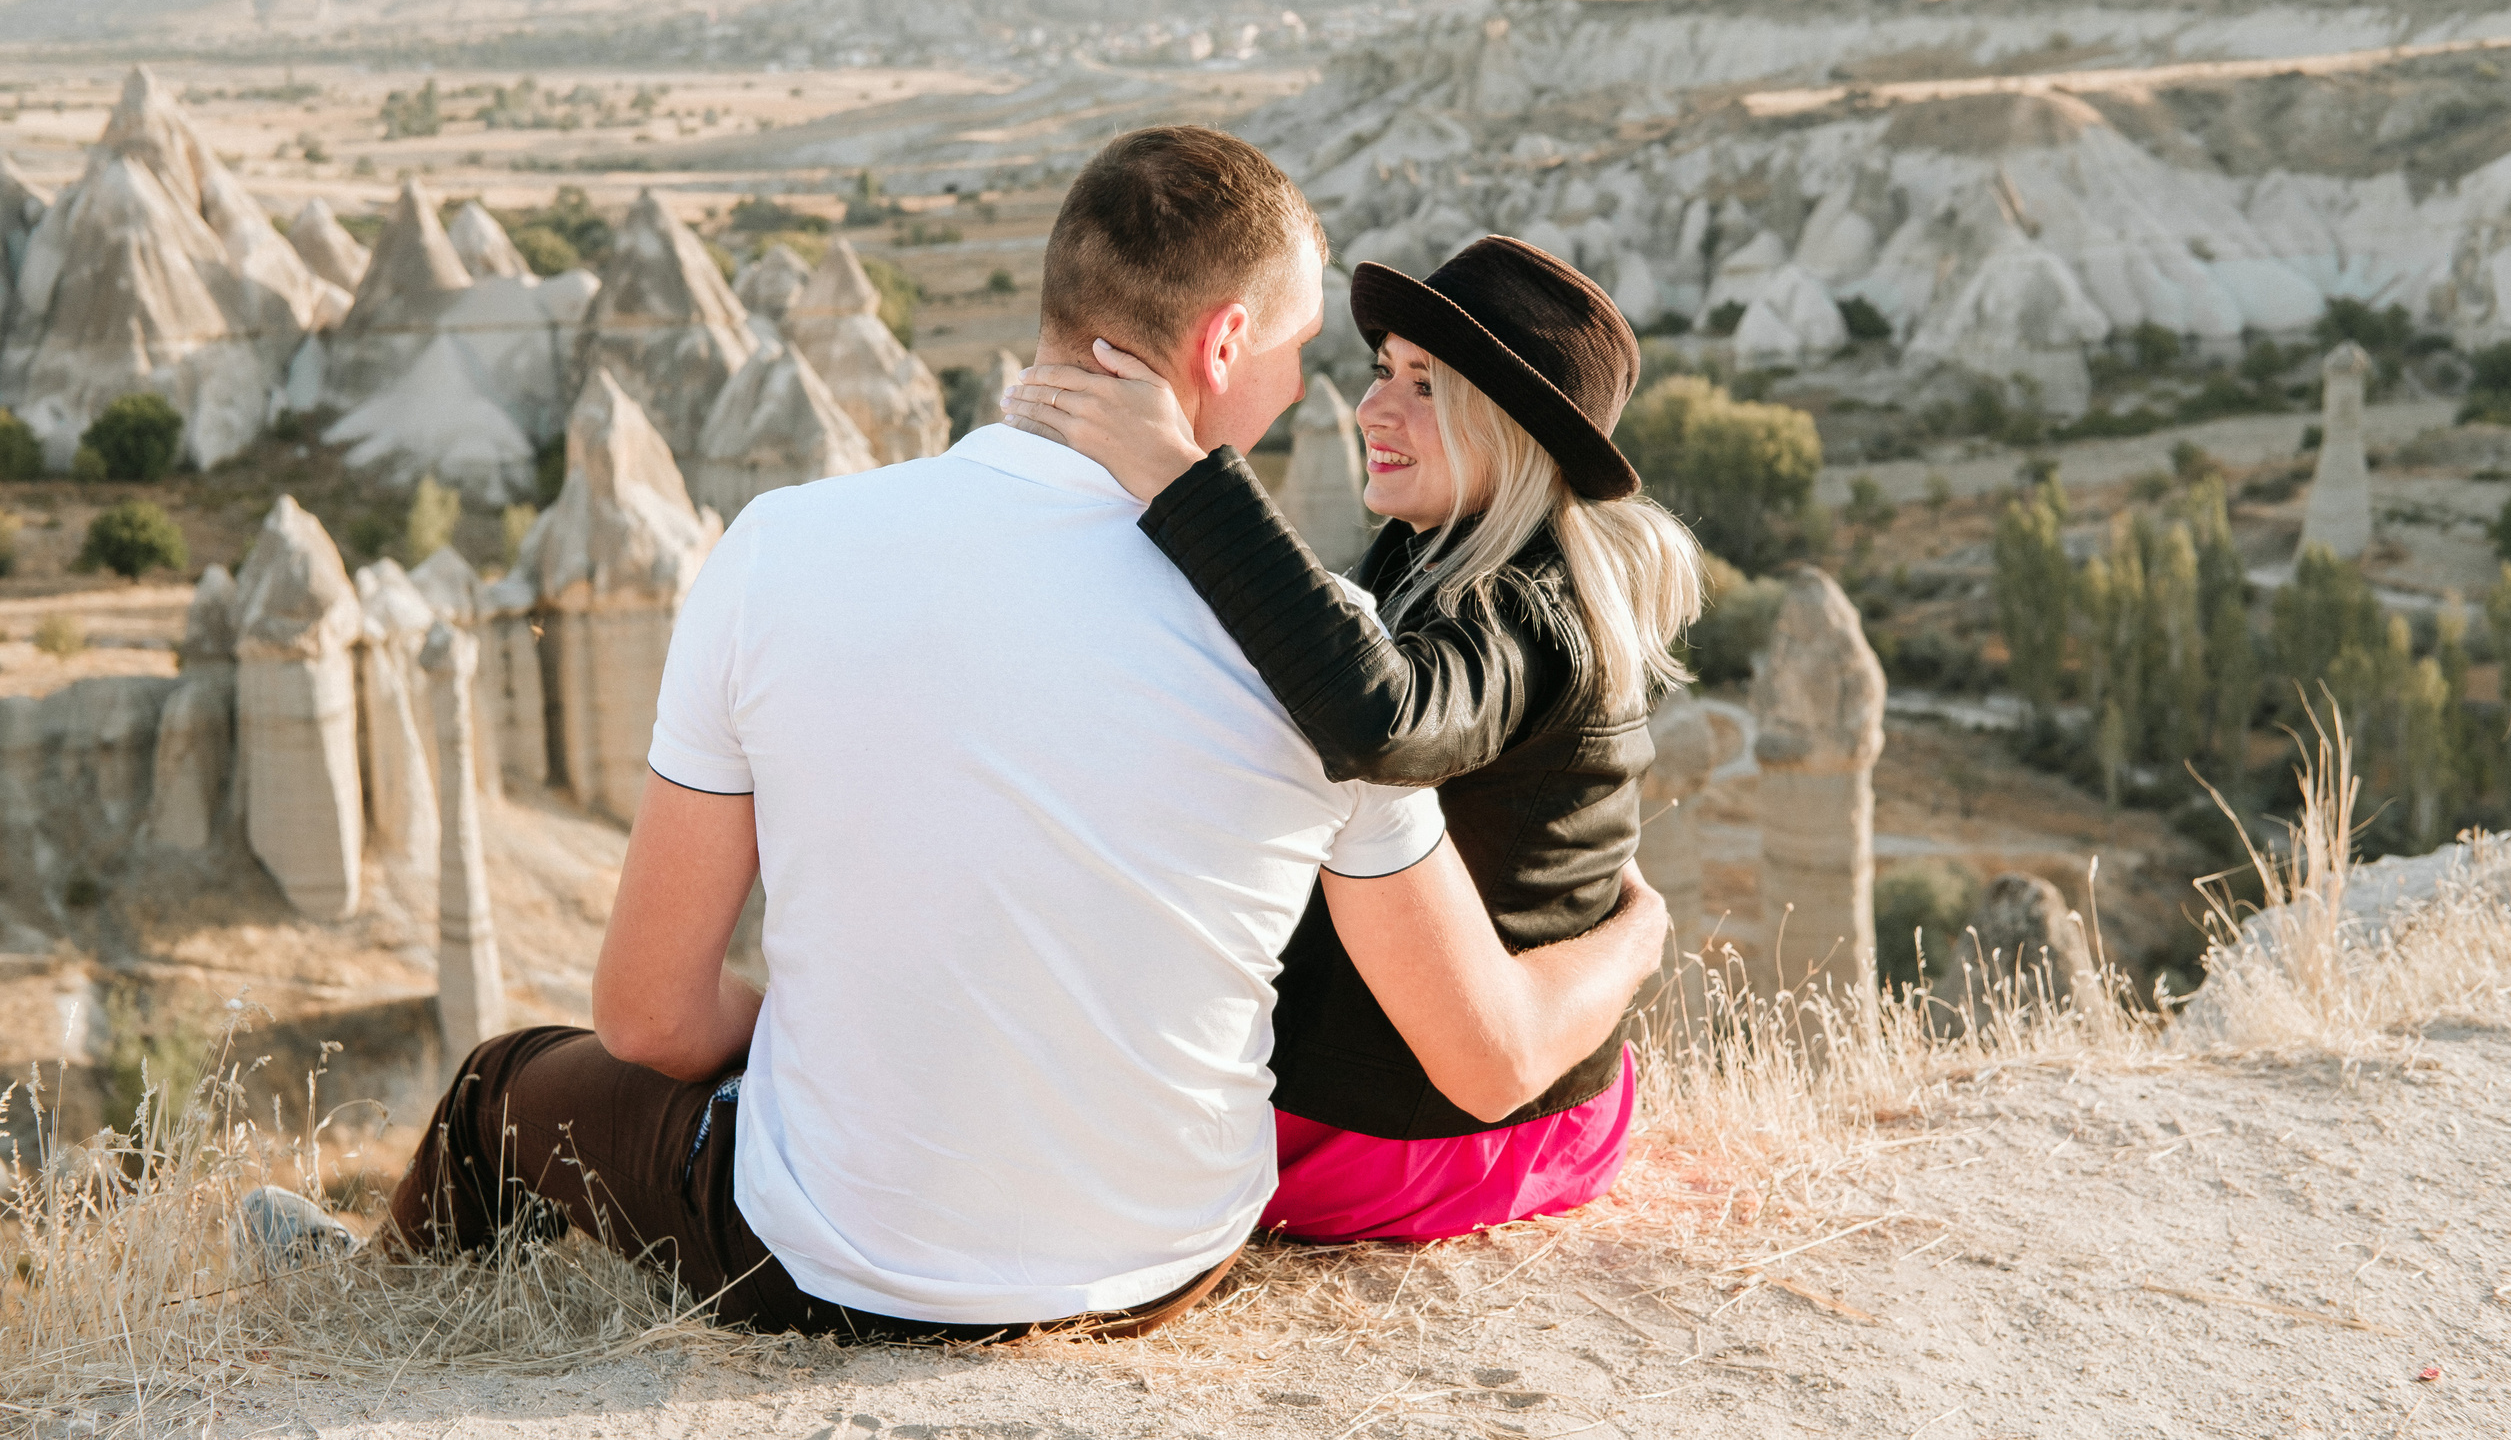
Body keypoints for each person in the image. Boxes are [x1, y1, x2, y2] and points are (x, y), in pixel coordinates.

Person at [375, 129, 1668, 1341]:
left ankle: (375, 1307)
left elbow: (650, 1016)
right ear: (1223, 345)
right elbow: (1479, 1040)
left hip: (824, 1257)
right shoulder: (1316, 636)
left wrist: (825, 1031)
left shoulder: (778, 549)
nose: (1314, 388)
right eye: (1307, 350)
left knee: (503, 1085)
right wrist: (1633, 933)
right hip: (1169, 1255)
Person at [1004, 232, 1706, 1242]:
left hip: (1431, 1140)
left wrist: (1181, 474)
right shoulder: (1430, 560)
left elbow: (1380, 722)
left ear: (1506, 426)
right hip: (1493, 1108)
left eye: (1427, 387)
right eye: (1383, 371)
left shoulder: (1526, 609)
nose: (1376, 407)